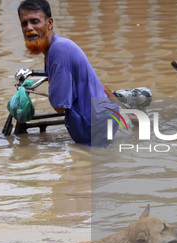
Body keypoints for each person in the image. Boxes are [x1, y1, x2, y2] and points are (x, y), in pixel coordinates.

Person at [17, 0, 149, 145]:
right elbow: (101, 86)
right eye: (24, 23)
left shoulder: (59, 51)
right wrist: (128, 116)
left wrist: (52, 83)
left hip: (95, 130)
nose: (29, 28)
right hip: (103, 123)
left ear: (49, 23)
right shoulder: (56, 47)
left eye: (35, 21)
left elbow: (59, 107)